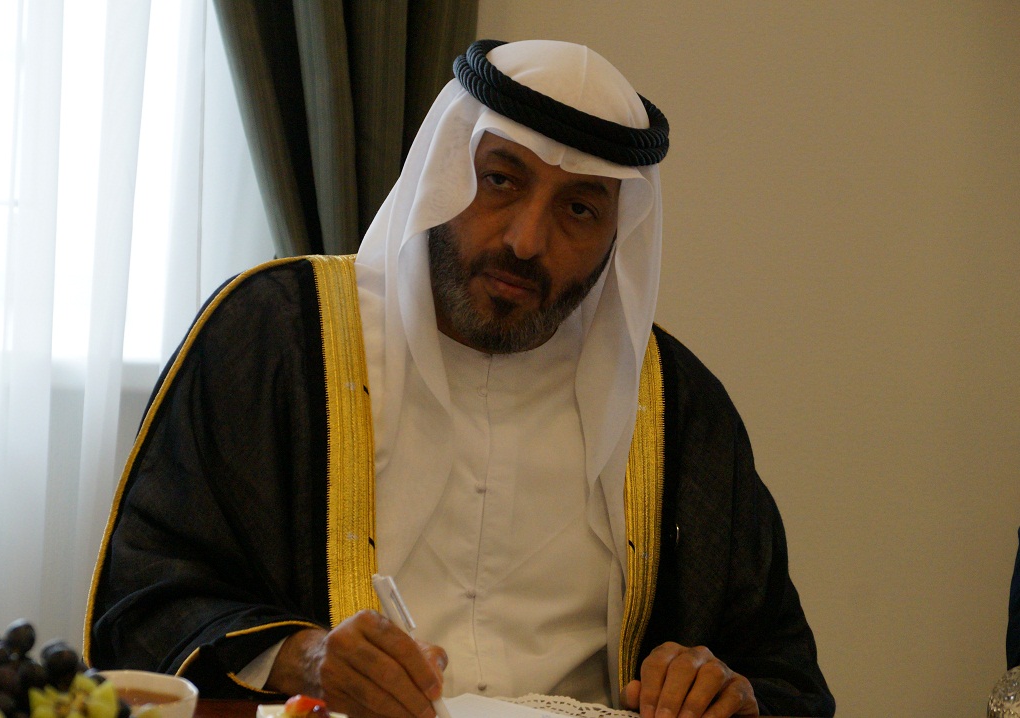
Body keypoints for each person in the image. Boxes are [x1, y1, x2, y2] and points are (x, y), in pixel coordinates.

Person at [85, 39, 835, 718]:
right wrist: (305, 657)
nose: (526, 240)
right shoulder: (273, 334)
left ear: (619, 234)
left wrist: (726, 690)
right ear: (445, 169)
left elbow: (785, 673)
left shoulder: (678, 409)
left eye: (579, 209)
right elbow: (143, 597)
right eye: (500, 180)